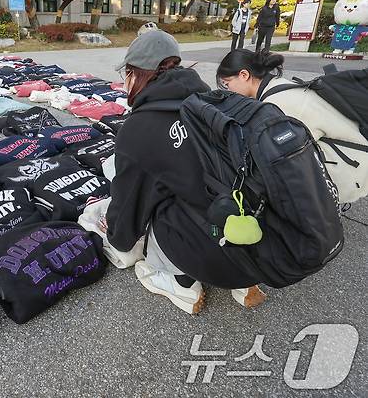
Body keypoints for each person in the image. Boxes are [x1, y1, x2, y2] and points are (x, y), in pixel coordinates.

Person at [104, 30, 267, 315]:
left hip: (213, 249)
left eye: (126, 73)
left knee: (155, 201)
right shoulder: (212, 97)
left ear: (136, 73)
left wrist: (116, 236)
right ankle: (246, 286)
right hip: (260, 239)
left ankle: (179, 283)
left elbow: (130, 200)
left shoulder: (138, 129)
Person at [216, 49, 368, 204]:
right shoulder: (277, 85)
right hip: (352, 154)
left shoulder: (278, 104)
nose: (228, 91)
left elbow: (285, 159)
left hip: (352, 170)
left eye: (227, 84)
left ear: (244, 75)